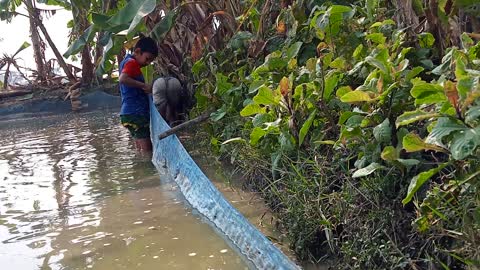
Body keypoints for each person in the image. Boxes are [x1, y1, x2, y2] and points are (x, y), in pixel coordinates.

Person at [119, 36, 158, 152]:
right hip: (137, 113)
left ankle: (140, 168)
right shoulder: (131, 63)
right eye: (147, 59)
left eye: (150, 61)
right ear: (137, 52)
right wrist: (144, 86)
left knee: (139, 148)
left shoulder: (125, 61)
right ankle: (147, 169)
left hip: (129, 113)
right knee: (147, 150)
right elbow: (123, 79)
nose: (148, 63)